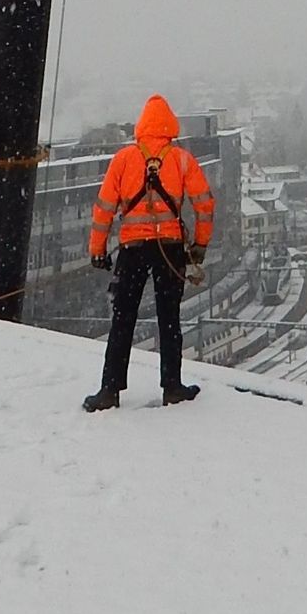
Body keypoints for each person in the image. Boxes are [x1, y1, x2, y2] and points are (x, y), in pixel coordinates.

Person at [83, 93, 215, 412]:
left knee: (122, 319)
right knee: (169, 318)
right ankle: (172, 386)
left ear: (141, 126)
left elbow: (103, 210)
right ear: (170, 125)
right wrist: (198, 246)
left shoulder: (124, 159)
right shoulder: (182, 159)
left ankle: (109, 390)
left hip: (132, 250)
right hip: (170, 249)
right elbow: (205, 205)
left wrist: (97, 251)